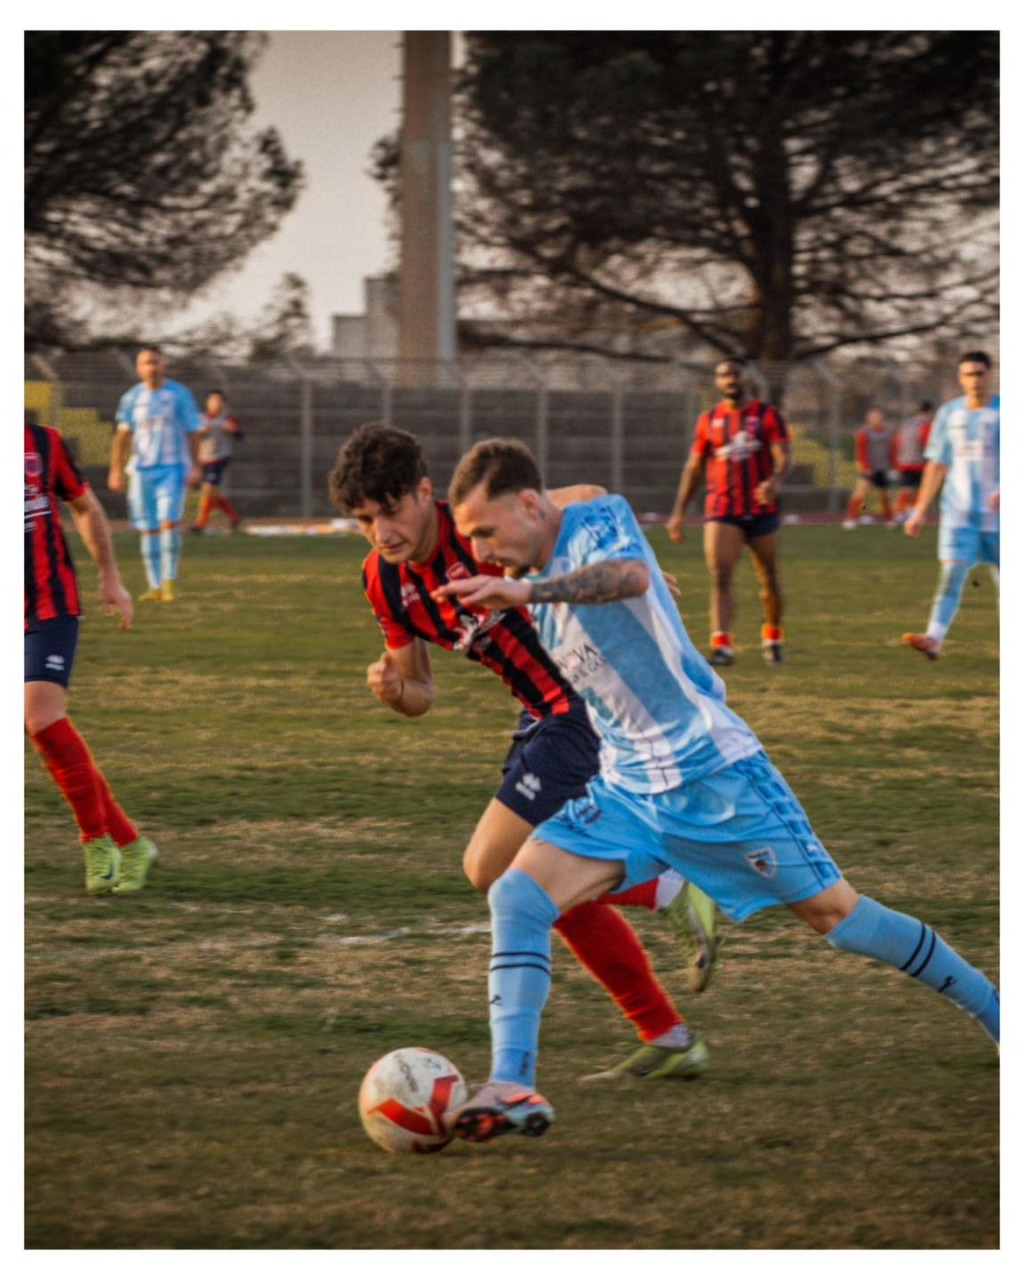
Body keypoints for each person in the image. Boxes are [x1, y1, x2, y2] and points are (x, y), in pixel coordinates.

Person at [437, 439, 998, 1143]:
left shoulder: (588, 530)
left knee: (838, 918)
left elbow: (628, 575)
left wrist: (529, 590)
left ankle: (1000, 1015)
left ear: (528, 504)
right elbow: (580, 509)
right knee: (516, 892)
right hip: (628, 794)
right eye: (471, 540)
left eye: (486, 532)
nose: (483, 553)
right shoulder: (546, 539)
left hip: (716, 778)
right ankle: (513, 1082)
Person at [328, 423, 719, 1082]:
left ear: (426, 493)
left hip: (588, 705)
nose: (381, 532)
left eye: (390, 512)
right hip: (541, 717)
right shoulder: (384, 581)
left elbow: (592, 495)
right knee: (530, 885)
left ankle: (668, 886)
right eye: (364, 520)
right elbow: (420, 690)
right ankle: (669, 1035)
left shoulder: (483, 528)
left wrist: (635, 565)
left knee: (493, 867)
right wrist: (395, 691)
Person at [25, 420, 158, 894]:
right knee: (44, 733)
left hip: (49, 603)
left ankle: (95, 840)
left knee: (40, 717)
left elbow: (85, 506)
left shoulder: (43, 442)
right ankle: (131, 842)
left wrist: (110, 576)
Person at [666, 357, 791, 666]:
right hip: (723, 509)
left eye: (735, 374)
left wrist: (775, 482)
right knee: (721, 576)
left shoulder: (766, 416)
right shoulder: (709, 420)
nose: (730, 380)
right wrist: (679, 512)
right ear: (717, 382)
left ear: (746, 378)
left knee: (769, 577)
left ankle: (773, 636)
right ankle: (722, 645)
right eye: (724, 375)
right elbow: (694, 467)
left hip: (761, 509)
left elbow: (784, 456)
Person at [902, 353, 999, 659]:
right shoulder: (949, 414)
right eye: (969, 374)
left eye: (980, 374)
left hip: (1001, 517)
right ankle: (934, 637)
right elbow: (937, 465)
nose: (975, 380)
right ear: (960, 378)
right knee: (951, 572)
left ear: (991, 375)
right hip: (959, 512)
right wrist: (919, 510)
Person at [108, 345, 202, 602]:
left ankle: (169, 582)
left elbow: (193, 431)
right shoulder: (131, 398)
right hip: (140, 471)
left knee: (168, 522)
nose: (151, 367)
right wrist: (116, 470)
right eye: (146, 363)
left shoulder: (179, 395)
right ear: (138, 368)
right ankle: (155, 586)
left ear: (164, 365)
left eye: (155, 362)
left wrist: (195, 465)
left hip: (172, 468)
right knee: (148, 528)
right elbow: (122, 436)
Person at [190, 389, 244, 534]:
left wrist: (232, 430)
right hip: (203, 460)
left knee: (208, 489)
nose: (215, 404)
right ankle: (234, 518)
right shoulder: (200, 418)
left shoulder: (227, 418)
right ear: (207, 402)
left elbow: (240, 435)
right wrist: (200, 432)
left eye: (219, 401)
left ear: (223, 403)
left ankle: (201, 524)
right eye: (212, 400)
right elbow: (191, 436)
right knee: (214, 492)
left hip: (219, 458)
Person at [843, 408, 896, 528]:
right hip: (868, 469)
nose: (877, 419)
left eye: (878, 416)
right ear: (869, 419)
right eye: (874, 417)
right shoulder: (863, 432)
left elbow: (892, 450)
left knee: (884, 495)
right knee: (860, 492)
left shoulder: (887, 432)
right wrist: (865, 467)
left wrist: (893, 466)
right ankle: (850, 518)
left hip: (882, 468)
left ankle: (890, 519)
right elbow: (860, 452)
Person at [893, 400, 934, 523]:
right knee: (917, 490)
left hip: (904, 461)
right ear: (929, 412)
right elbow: (926, 442)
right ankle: (907, 513)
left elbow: (897, 441)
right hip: (918, 463)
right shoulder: (926, 425)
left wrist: (899, 458)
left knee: (906, 489)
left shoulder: (906, 424)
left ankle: (903, 512)